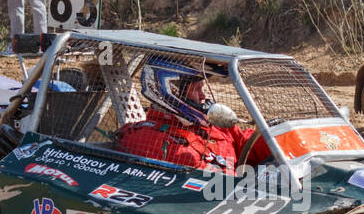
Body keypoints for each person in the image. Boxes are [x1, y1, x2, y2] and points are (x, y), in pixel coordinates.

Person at [115, 57, 269, 173]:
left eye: (202, 88)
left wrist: (273, 138)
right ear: (174, 91)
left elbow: (245, 143)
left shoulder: (211, 125)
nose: (203, 96)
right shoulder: (151, 140)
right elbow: (211, 185)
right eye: (196, 89)